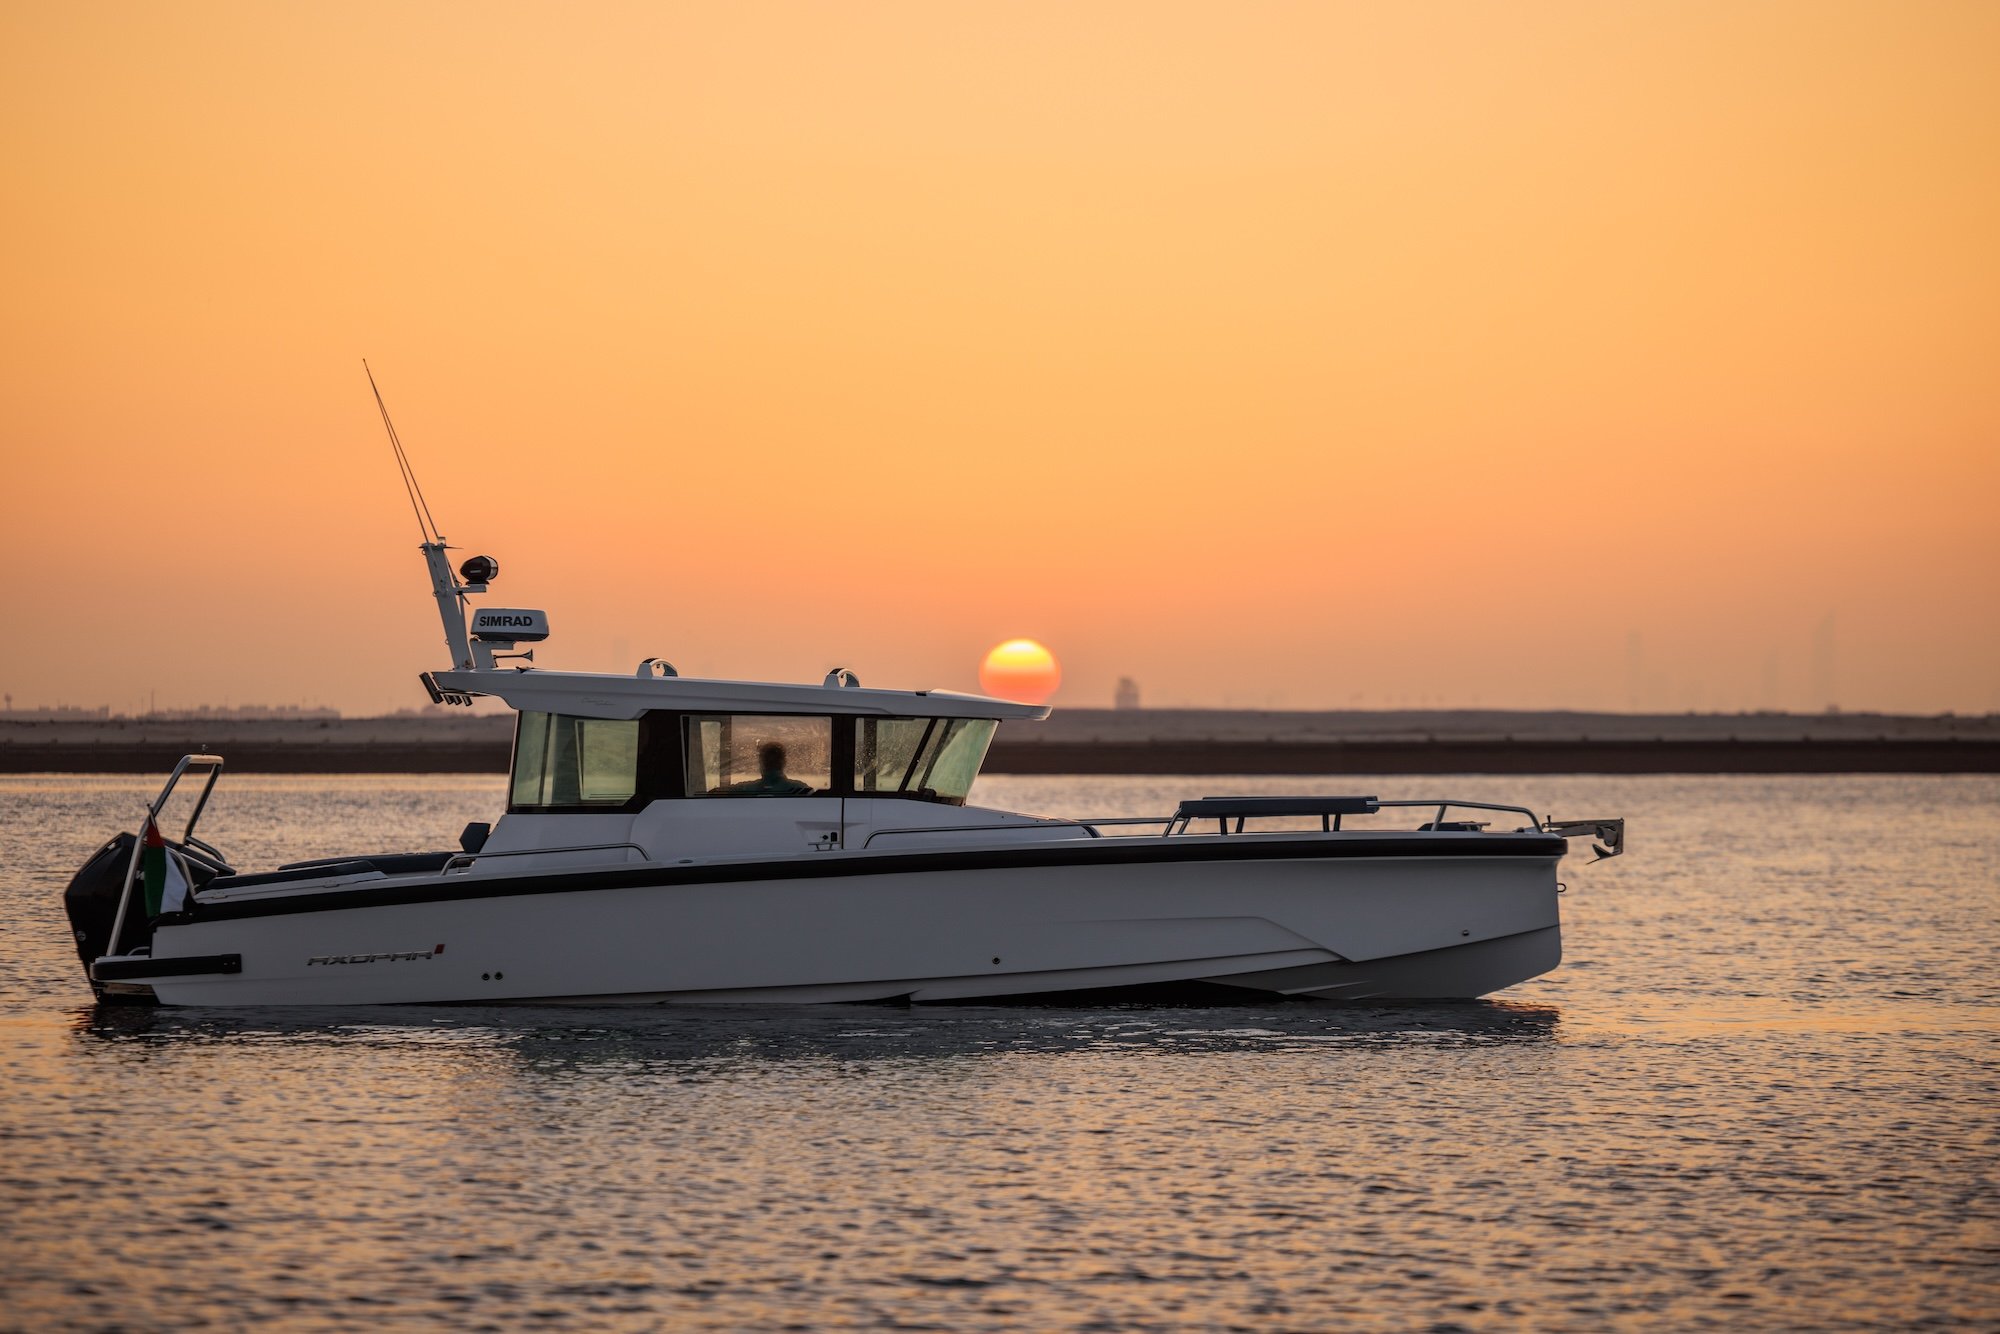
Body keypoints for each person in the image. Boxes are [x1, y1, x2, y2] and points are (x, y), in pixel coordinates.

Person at [722, 742, 813, 796]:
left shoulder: (746, 789)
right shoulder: (800, 789)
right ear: (784, 762)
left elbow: (717, 792)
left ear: (761, 763)